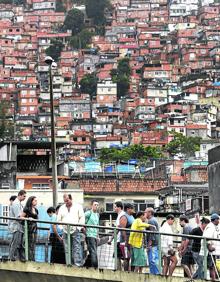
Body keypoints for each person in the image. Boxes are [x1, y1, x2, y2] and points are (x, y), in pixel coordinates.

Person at [57, 193, 85, 266]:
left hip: (75, 229)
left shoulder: (78, 206)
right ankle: (69, 263)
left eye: (67, 200)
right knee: (67, 248)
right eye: (65, 201)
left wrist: (78, 228)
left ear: (71, 199)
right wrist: (61, 228)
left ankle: (77, 264)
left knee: (77, 247)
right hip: (65, 230)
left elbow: (82, 218)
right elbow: (58, 220)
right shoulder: (62, 208)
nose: (66, 202)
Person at [200, 213, 220, 280]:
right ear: (215, 220)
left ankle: (213, 279)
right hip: (208, 251)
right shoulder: (210, 227)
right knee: (211, 266)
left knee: (212, 266)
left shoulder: (213, 226)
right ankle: (212, 279)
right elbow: (207, 237)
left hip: (212, 251)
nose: (219, 221)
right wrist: (209, 247)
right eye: (218, 219)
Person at [8, 190, 26, 261]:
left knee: (19, 243)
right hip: (16, 226)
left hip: (19, 226)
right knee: (15, 242)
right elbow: (18, 216)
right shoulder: (16, 203)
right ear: (20, 195)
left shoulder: (19, 203)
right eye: (24, 196)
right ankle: (12, 257)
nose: (25, 198)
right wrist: (27, 218)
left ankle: (17, 257)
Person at [108, 201, 125, 270]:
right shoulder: (120, 215)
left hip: (120, 239)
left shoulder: (121, 215)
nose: (114, 208)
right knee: (119, 256)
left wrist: (111, 239)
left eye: (115, 207)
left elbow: (118, 228)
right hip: (120, 239)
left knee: (118, 256)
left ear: (119, 207)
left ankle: (119, 270)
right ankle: (119, 269)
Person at [20, 196, 38, 261]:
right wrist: (28, 218)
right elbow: (21, 217)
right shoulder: (27, 209)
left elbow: (37, 219)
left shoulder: (36, 210)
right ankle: (27, 258)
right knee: (27, 243)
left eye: (36, 200)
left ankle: (32, 258)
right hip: (28, 228)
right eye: (35, 200)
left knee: (33, 243)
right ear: (31, 201)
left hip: (35, 228)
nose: (36, 202)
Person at [119, 203, 135, 271]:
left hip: (132, 240)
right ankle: (125, 273)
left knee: (133, 257)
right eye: (132, 208)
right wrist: (126, 241)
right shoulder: (124, 217)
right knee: (126, 257)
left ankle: (132, 272)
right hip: (125, 240)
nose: (133, 210)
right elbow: (122, 229)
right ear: (128, 209)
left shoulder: (131, 216)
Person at [84, 200, 100, 268]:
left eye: (97, 205)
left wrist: (98, 236)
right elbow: (82, 222)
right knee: (93, 251)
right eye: (95, 205)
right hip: (89, 234)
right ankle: (95, 266)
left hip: (95, 235)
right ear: (91, 205)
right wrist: (85, 231)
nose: (96, 206)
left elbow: (97, 226)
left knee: (93, 251)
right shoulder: (88, 213)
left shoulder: (97, 214)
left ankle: (88, 265)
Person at [145, 207, 160, 275]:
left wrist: (149, 245)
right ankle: (155, 273)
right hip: (155, 244)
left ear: (150, 213)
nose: (144, 214)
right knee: (154, 259)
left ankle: (156, 274)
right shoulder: (153, 220)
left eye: (146, 212)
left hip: (153, 244)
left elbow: (152, 234)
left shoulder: (151, 221)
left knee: (152, 260)